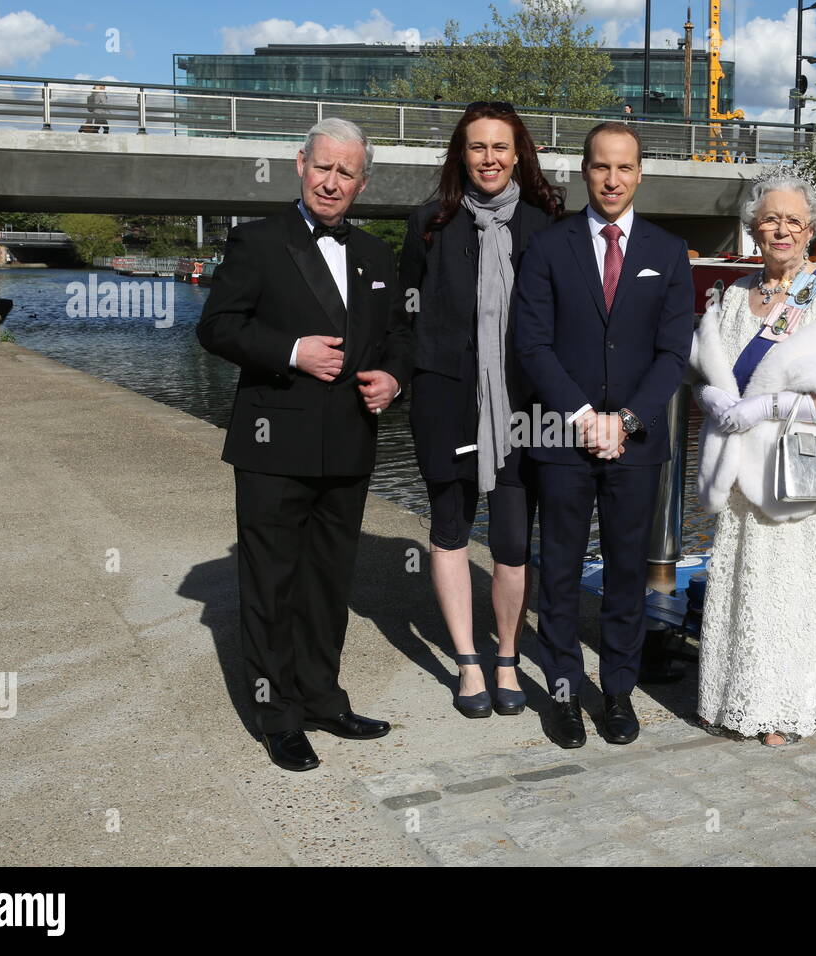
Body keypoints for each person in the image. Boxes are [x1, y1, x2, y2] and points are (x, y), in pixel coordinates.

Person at [197, 118, 415, 772]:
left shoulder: (378, 256)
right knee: (270, 588)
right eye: (323, 167)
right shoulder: (258, 242)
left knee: (327, 583)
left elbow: (400, 334)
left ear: (362, 181)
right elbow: (217, 328)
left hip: (348, 446)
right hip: (272, 448)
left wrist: (393, 379)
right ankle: (278, 716)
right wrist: (292, 351)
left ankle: (322, 697)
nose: (332, 181)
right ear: (300, 164)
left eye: (346, 172)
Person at [514, 121, 694, 749]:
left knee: (625, 573)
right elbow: (531, 344)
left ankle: (617, 690)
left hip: (637, 444)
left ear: (640, 173)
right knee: (559, 571)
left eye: (624, 168)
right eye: (600, 167)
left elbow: (674, 354)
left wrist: (629, 421)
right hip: (562, 438)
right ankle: (562, 691)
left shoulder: (669, 253)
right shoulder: (548, 247)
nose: (612, 179)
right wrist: (585, 416)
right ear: (583, 171)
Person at [692, 169, 816, 746]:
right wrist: (718, 400)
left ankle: (787, 709)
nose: (780, 229)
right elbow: (709, 375)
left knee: (793, 588)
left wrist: (767, 405)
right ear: (753, 227)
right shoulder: (732, 296)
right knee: (747, 582)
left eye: (792, 221)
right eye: (769, 218)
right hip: (744, 472)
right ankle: (736, 698)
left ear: (810, 230)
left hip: (797, 471)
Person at [400, 102, 564, 718]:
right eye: (477, 148)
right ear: (460, 155)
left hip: (525, 407)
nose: (489, 159)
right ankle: (468, 660)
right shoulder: (429, 224)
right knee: (448, 528)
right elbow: (407, 319)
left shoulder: (546, 224)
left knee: (513, 541)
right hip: (447, 400)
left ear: (518, 152)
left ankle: (507, 656)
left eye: (500, 147)